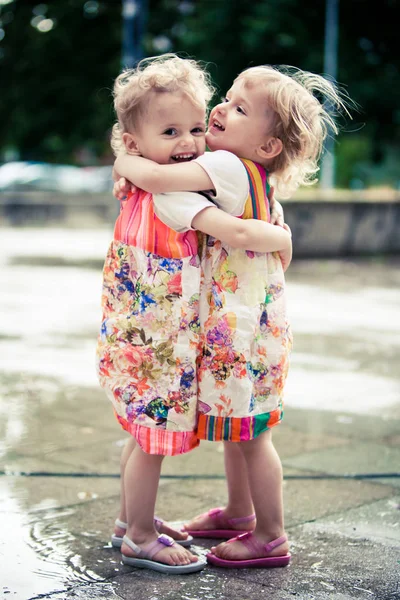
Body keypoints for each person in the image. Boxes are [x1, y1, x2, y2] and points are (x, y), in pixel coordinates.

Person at [113, 62, 349, 568]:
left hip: (235, 331)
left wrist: (123, 160)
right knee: (243, 426)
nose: (221, 109)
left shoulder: (225, 169)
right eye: (228, 97)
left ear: (267, 146)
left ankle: (268, 534)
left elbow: (156, 177)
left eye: (239, 109)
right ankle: (241, 514)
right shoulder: (255, 179)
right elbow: (268, 244)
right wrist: (282, 239)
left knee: (251, 433)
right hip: (253, 328)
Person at [96, 55, 292, 574]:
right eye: (171, 131)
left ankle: (139, 526)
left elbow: (237, 231)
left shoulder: (208, 174)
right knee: (218, 430)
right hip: (201, 332)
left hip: (204, 332)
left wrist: (127, 162)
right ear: (137, 139)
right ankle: (145, 527)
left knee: (160, 431)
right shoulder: (219, 179)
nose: (189, 140)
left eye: (196, 127)